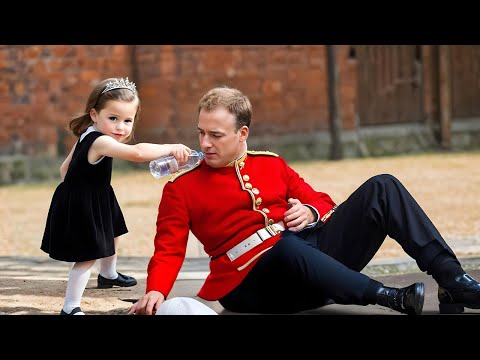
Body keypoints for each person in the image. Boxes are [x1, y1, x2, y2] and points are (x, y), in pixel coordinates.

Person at [128, 85, 480, 316]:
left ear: (242, 134)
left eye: (216, 135)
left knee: (382, 187)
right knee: (283, 248)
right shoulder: (181, 187)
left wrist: (310, 211)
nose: (205, 143)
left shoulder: (272, 164)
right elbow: (169, 248)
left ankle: (454, 281)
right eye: (201, 133)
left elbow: (323, 201)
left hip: (312, 265)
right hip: (254, 286)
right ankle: (388, 296)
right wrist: (157, 290)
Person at [41, 77, 192, 315]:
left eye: (127, 120)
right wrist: (171, 147)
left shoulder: (88, 132)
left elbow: (64, 169)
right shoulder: (100, 141)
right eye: (113, 118)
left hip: (96, 195)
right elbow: (138, 153)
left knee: (113, 231)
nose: (120, 127)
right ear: (94, 114)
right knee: (87, 255)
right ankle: (70, 307)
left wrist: (78, 188)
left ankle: (108, 274)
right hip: (85, 200)